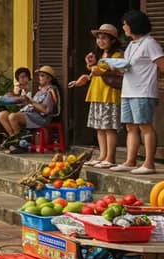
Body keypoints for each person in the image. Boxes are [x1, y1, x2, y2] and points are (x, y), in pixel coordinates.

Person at [111, 10, 161, 174]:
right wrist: (115, 67)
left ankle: (149, 163)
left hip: (143, 91)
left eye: (125, 24)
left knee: (145, 126)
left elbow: (161, 65)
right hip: (128, 91)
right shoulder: (131, 45)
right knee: (130, 127)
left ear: (134, 25)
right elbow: (129, 68)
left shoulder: (150, 43)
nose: (124, 27)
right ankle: (130, 161)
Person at [67, 24, 123, 168]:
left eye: (104, 38)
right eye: (98, 38)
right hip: (97, 95)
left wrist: (91, 66)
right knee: (99, 127)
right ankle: (103, 155)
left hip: (109, 95)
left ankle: (110, 158)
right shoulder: (100, 56)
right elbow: (94, 74)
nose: (100, 41)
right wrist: (89, 69)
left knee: (109, 128)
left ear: (112, 40)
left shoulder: (116, 55)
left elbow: (101, 70)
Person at [0, 66, 60, 152]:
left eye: (42, 75)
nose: (39, 78)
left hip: (41, 118)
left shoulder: (50, 91)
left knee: (13, 117)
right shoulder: (40, 90)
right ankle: (15, 141)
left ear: (49, 78)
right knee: (2, 114)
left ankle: (19, 145)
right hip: (30, 114)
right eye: (39, 76)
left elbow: (46, 110)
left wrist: (31, 102)